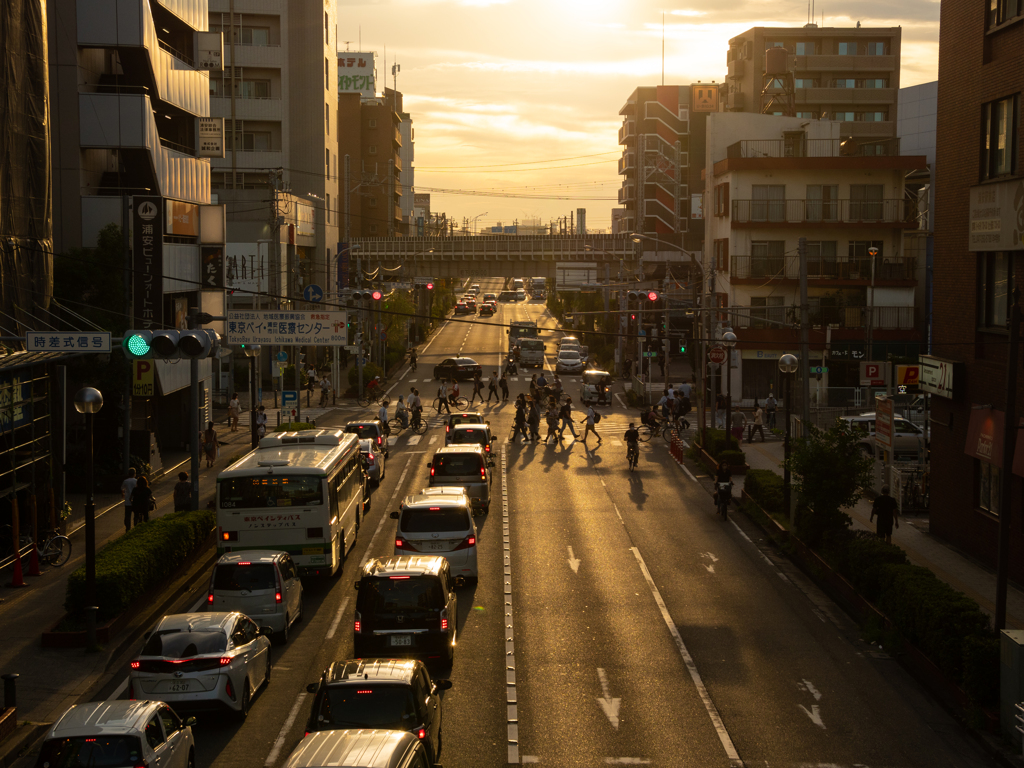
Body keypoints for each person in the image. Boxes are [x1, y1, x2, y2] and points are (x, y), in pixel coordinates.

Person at [121, 468, 137, 535]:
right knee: (136, 514)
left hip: (127, 501)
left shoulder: (125, 481)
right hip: (135, 501)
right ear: (134, 474)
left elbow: (122, 489)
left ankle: (128, 528)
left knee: (127, 516)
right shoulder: (136, 481)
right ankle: (136, 526)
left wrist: (123, 494)